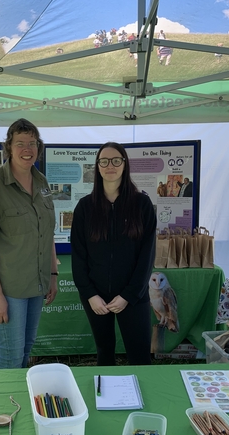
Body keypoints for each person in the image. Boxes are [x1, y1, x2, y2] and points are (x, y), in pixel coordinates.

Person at [0, 118, 58, 369]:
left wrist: (52, 274)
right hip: (10, 290)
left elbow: (47, 232)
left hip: (37, 285)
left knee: (25, 352)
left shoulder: (41, 182)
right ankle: (2, 407)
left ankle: (17, 404)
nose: (27, 149)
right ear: (8, 147)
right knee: (9, 357)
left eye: (32, 143)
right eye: (20, 143)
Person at [70, 142, 157, 366]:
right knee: (104, 354)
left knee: (140, 356)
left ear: (125, 165)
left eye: (116, 160)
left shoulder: (142, 204)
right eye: (104, 161)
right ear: (97, 167)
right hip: (96, 297)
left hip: (133, 296)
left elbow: (147, 256)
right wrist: (90, 294)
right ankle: (105, 399)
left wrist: (129, 295)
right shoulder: (84, 207)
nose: (110, 165)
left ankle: (142, 399)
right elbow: (78, 256)